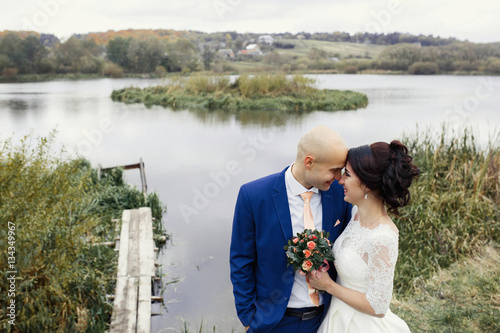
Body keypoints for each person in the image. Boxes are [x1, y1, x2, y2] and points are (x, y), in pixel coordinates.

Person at [230, 126, 352, 333]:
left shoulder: (342, 195)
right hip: (272, 323)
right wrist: (248, 317)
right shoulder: (253, 195)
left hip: (324, 320)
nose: (339, 178)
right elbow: (241, 260)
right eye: (333, 170)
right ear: (309, 162)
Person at [308, 140, 420, 332]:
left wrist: (328, 285)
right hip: (337, 317)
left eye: (348, 175)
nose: (340, 180)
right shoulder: (355, 214)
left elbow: (378, 307)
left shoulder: (383, 236)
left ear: (367, 185)